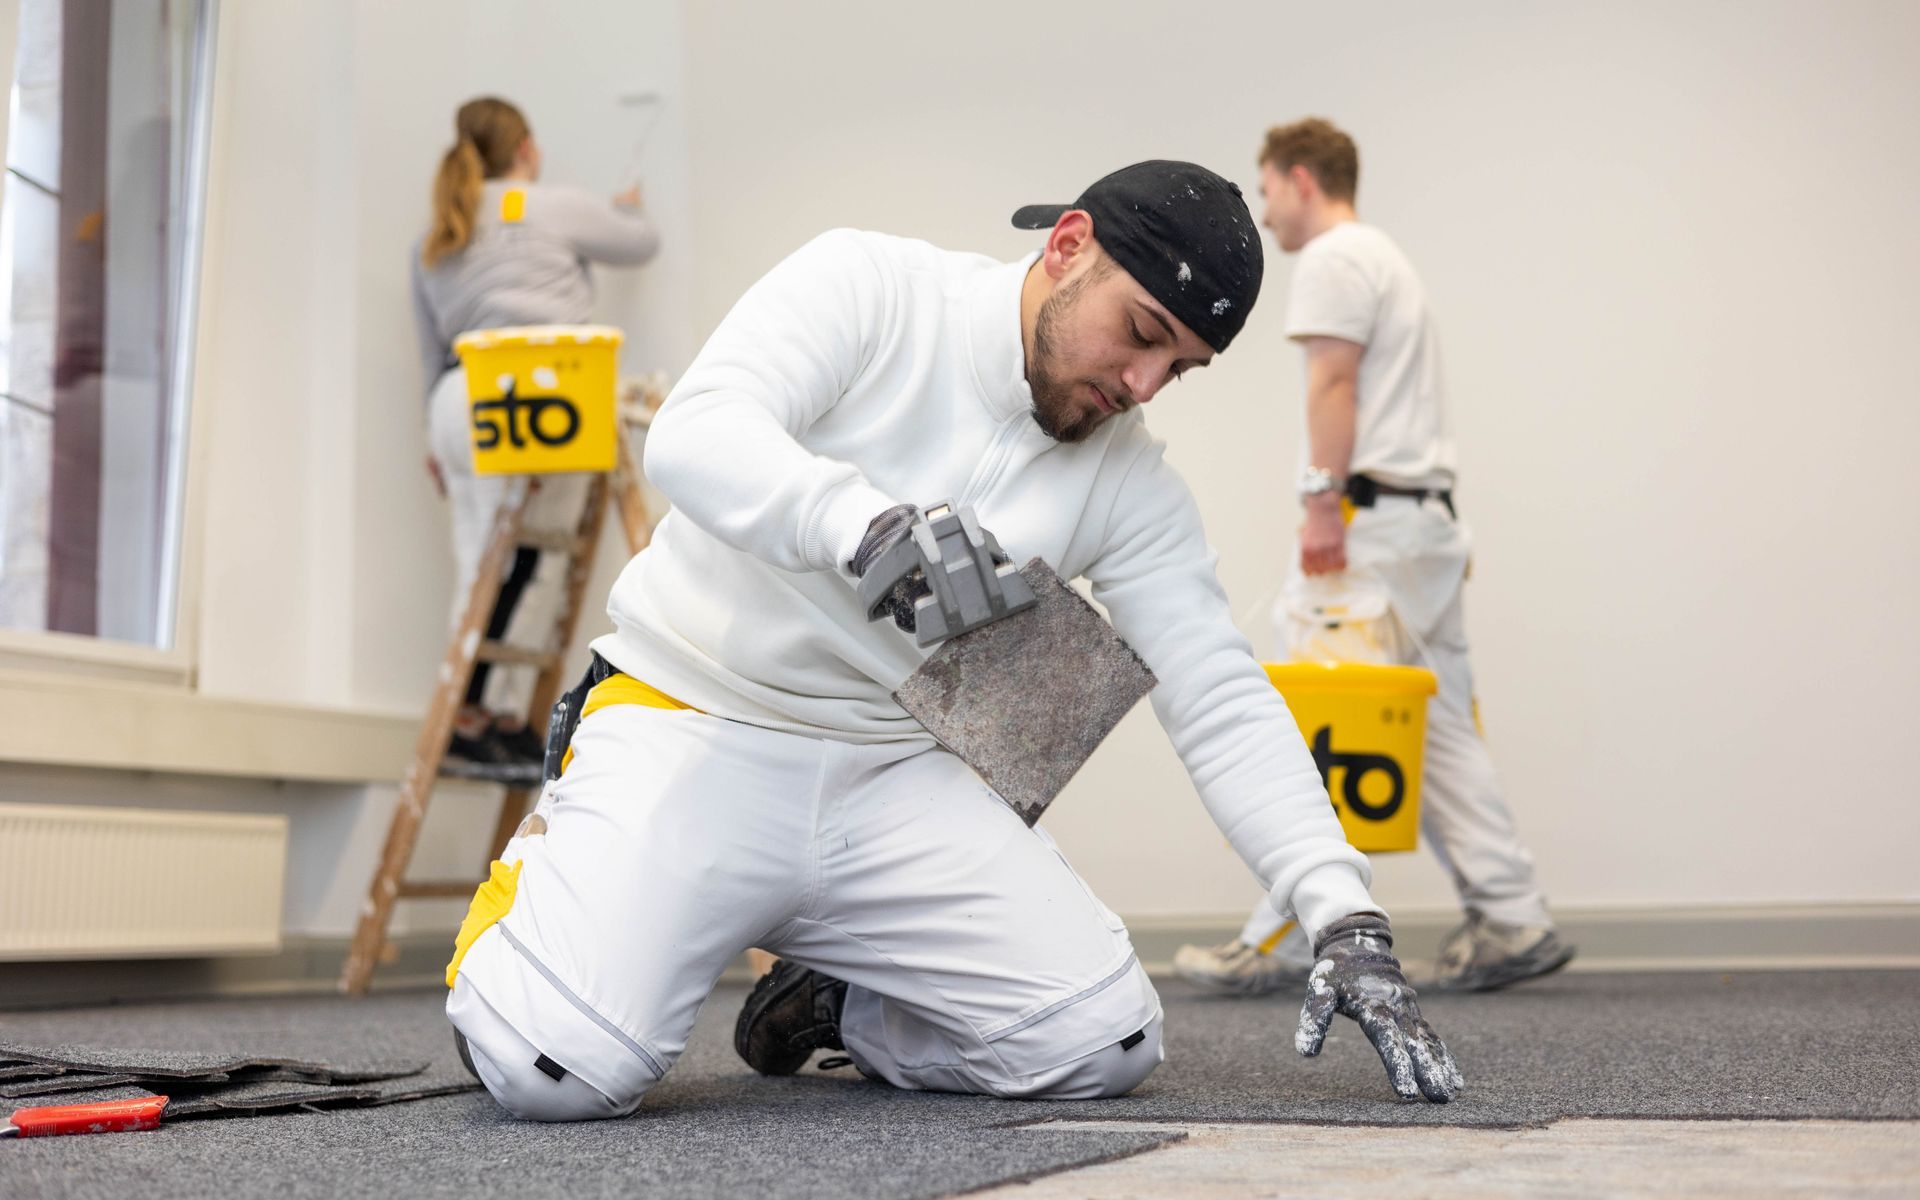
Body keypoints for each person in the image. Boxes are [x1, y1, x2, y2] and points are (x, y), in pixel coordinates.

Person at [442, 159, 1462, 1122]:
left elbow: (1217, 690)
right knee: (553, 1066)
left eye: (1179, 369)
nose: (1145, 384)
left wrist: (1341, 910)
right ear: (1069, 245)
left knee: (1105, 1044)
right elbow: (696, 430)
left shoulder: (1129, 479)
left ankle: (843, 1000)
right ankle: (526, 915)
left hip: (894, 775)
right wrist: (857, 523)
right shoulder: (874, 290)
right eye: (1141, 332)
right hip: (699, 715)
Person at [1174, 118, 1574, 997]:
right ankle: (1513, 914)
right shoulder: (1384, 256)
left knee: (1324, 723)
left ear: (1303, 178)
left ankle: (1285, 936)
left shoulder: (1332, 258)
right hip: (1423, 528)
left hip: (1367, 528)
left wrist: (1321, 501)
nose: (1264, 211)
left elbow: (1333, 381)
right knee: (1439, 724)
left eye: (1268, 189)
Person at [411, 96, 660, 765]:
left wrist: (434, 438)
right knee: (534, 560)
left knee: (479, 559)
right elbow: (641, 244)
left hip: (460, 396)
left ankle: (474, 714)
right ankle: (491, 713)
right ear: (525, 148)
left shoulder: (438, 233)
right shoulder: (552, 206)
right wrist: (630, 208)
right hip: (545, 388)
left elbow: (431, 352)